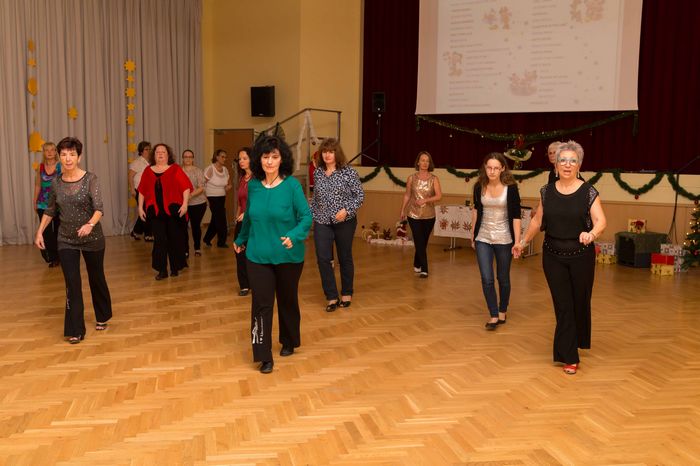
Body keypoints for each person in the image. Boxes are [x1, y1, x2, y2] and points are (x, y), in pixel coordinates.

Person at [513, 140, 606, 375]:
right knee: (563, 305)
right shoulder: (547, 192)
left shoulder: (588, 192)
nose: (567, 164)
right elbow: (537, 221)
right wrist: (522, 242)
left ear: (579, 165)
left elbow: (601, 221)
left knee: (579, 302)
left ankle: (574, 341)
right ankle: (569, 356)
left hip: (581, 257)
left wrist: (592, 234)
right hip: (553, 256)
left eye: (572, 161)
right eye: (562, 160)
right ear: (555, 165)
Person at [233, 136, 312, 374]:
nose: (269, 161)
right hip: (258, 255)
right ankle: (263, 355)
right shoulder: (254, 186)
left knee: (287, 300)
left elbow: (306, 217)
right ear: (259, 159)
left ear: (281, 159)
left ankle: (289, 340)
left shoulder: (292, 186)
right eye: (265, 157)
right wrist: (241, 239)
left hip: (288, 255)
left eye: (274, 157)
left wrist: (294, 235)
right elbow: (249, 216)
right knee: (261, 304)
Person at [34, 137, 112, 344]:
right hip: (66, 239)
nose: (68, 158)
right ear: (59, 157)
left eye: (72, 154)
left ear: (79, 157)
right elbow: (50, 210)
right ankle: (76, 329)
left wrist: (90, 224)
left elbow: (99, 208)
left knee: (96, 277)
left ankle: (103, 315)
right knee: (72, 282)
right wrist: (39, 232)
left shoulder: (90, 179)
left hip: (92, 237)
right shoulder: (56, 183)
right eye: (64, 154)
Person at [311, 138, 364, 311]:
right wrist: (309, 214)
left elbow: (359, 196)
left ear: (337, 153)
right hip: (322, 221)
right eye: (324, 152)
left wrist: (347, 210)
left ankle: (347, 293)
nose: (327, 155)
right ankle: (331, 297)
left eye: (331, 152)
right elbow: (316, 199)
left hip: (345, 222)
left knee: (344, 257)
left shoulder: (348, 172)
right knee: (323, 258)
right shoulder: (318, 173)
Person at [471, 153, 521, 330]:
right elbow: (476, 211)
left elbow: (516, 216)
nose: (492, 171)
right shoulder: (479, 186)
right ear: (485, 168)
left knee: (503, 278)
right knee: (487, 278)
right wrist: (473, 234)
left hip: (504, 238)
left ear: (502, 169)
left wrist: (517, 241)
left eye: (496, 168)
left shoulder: (511, 188)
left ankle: (502, 310)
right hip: (483, 237)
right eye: (489, 167)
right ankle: (493, 314)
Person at [137, 143, 193, 280]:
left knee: (175, 240)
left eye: (163, 152)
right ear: (154, 155)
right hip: (156, 213)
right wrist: (140, 208)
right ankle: (162, 270)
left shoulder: (175, 169)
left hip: (174, 211)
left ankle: (175, 268)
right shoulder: (148, 171)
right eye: (157, 152)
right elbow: (142, 190)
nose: (160, 154)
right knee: (160, 242)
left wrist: (185, 204)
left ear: (168, 155)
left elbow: (186, 187)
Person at [399, 151, 442, 278]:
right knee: (419, 240)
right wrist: (402, 210)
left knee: (422, 242)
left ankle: (417, 262)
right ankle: (424, 269)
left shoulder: (434, 179)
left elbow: (439, 196)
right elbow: (407, 195)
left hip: (429, 216)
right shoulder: (411, 178)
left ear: (429, 163)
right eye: (422, 160)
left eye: (427, 161)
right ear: (418, 162)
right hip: (413, 215)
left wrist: (426, 200)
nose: (425, 163)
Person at [34, 141, 62, 267]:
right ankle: (52, 257)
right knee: (46, 232)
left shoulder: (61, 166)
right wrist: (35, 202)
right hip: (43, 203)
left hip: (58, 203)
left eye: (52, 150)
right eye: (47, 150)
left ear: (56, 152)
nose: (50, 152)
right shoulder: (40, 167)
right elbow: (37, 185)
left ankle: (60, 256)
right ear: (44, 153)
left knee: (59, 230)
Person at [233, 147, 253, 296]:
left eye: (245, 158)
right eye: (240, 159)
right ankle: (244, 285)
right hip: (242, 221)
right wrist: (237, 216)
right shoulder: (242, 178)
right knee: (239, 252)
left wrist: (246, 214)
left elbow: (259, 201)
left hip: (254, 221)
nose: (241, 161)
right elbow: (240, 202)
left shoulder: (258, 179)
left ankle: (255, 282)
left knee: (252, 252)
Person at [203, 149, 232, 248]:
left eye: (225, 157)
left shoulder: (225, 169)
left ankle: (207, 239)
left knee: (216, 220)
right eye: (222, 157)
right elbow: (202, 184)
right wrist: (206, 199)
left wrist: (228, 187)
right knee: (221, 219)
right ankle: (221, 242)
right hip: (212, 197)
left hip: (222, 197)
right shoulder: (210, 169)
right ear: (217, 157)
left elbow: (228, 183)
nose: (225, 159)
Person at [181, 149, 206, 257]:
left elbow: (201, 188)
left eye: (190, 157)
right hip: (183, 204)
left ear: (193, 159)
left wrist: (189, 196)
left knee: (195, 226)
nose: (188, 159)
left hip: (198, 204)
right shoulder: (179, 171)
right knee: (183, 227)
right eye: (186, 157)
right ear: (183, 158)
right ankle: (185, 250)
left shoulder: (198, 171)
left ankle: (197, 248)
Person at [128, 141, 153, 241]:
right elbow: (130, 176)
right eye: (146, 149)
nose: (149, 151)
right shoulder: (137, 162)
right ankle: (148, 234)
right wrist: (132, 189)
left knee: (148, 211)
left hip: (150, 191)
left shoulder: (152, 162)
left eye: (149, 149)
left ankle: (136, 231)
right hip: (139, 190)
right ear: (141, 151)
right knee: (146, 211)